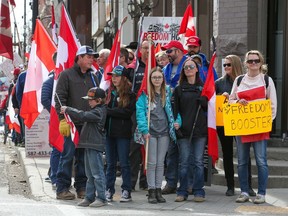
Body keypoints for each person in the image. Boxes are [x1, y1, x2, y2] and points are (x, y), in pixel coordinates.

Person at [229, 50, 277, 204]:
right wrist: (237, 102)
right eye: (250, 61)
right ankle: (244, 191)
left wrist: (265, 122)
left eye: (256, 61)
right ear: (246, 63)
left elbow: (273, 105)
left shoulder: (267, 80)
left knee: (261, 161)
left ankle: (261, 193)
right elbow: (230, 100)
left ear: (261, 62)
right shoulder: (239, 80)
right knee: (242, 161)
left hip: (259, 128)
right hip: (242, 127)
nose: (253, 64)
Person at [55, 45, 99, 200]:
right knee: (67, 155)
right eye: (88, 57)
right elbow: (59, 98)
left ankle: (81, 186)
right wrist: (62, 120)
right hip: (71, 123)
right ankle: (62, 188)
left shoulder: (93, 76)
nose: (92, 60)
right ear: (79, 58)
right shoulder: (66, 75)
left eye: (93, 57)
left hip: (87, 123)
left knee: (83, 157)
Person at [136, 66, 181, 204]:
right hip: (150, 132)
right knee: (151, 162)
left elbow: (176, 109)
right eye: (154, 77)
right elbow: (140, 112)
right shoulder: (145, 94)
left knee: (161, 162)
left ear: (163, 79)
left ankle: (158, 189)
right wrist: (144, 130)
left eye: (159, 77)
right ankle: (151, 190)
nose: (157, 80)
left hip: (164, 132)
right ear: (150, 79)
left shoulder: (168, 92)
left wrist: (178, 121)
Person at [216, 54, 256, 197]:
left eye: (229, 64)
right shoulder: (219, 83)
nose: (226, 67)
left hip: (242, 123)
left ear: (236, 65)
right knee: (227, 154)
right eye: (224, 65)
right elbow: (215, 102)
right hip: (225, 123)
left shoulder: (245, 81)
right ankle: (230, 186)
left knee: (244, 155)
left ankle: (248, 186)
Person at [61, 87, 107, 208]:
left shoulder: (99, 112)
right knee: (90, 175)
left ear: (99, 100)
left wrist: (68, 109)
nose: (89, 102)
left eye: (92, 100)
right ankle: (89, 197)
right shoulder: (96, 110)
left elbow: (82, 115)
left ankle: (101, 198)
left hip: (94, 145)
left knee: (97, 174)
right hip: (88, 145)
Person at [174, 58, 208, 202]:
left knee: (199, 162)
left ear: (196, 69)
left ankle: (199, 191)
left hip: (200, 130)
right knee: (184, 162)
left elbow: (210, 109)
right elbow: (175, 111)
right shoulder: (179, 89)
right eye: (186, 67)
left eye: (191, 67)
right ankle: (182, 191)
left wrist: (205, 103)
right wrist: (176, 125)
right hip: (184, 130)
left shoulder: (204, 88)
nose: (188, 69)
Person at [160, 40, 188, 194]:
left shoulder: (189, 66)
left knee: (186, 153)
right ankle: (171, 183)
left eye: (169, 51)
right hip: (169, 114)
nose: (167, 54)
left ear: (178, 51)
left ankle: (187, 184)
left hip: (186, 113)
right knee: (171, 152)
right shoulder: (165, 69)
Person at [105, 65, 135, 202]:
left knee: (124, 163)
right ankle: (108, 190)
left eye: (117, 76)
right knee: (110, 164)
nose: (114, 78)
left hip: (122, 133)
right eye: (113, 76)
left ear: (124, 78)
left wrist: (108, 112)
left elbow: (126, 113)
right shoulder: (109, 93)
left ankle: (126, 190)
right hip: (109, 133)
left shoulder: (130, 94)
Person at [129, 39, 149, 192]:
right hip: (136, 112)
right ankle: (131, 181)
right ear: (140, 50)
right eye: (145, 48)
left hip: (153, 112)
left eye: (150, 48)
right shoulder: (133, 69)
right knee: (135, 147)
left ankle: (146, 181)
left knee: (149, 147)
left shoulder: (157, 67)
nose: (148, 51)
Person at [41, 52, 61, 190]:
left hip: (70, 119)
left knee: (68, 151)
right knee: (57, 149)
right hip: (56, 121)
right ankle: (54, 178)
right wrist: (56, 113)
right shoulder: (49, 81)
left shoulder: (68, 78)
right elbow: (45, 99)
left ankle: (64, 178)